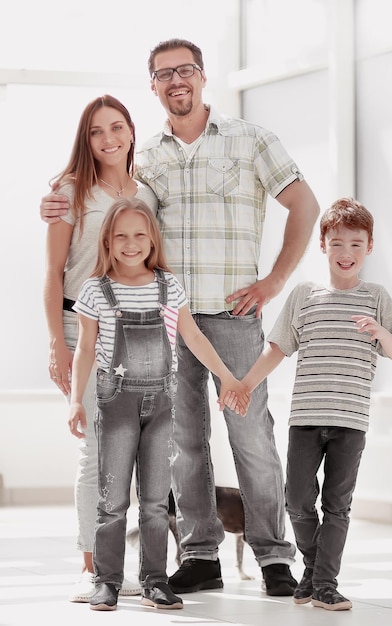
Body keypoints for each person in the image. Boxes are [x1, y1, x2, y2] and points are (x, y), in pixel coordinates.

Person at [40, 37, 320, 596]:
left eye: (185, 70)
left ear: (202, 76)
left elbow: (306, 207)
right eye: (163, 74)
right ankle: (198, 554)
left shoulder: (250, 139)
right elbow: (98, 198)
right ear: (153, 86)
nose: (176, 81)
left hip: (233, 318)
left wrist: (273, 281)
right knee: (183, 443)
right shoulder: (148, 162)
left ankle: (272, 557)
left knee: (252, 438)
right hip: (165, 326)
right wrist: (50, 201)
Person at [69, 197, 249, 611]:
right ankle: (107, 580)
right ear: (108, 242)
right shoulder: (96, 290)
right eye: (121, 237)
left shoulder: (169, 286)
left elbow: (195, 338)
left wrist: (227, 376)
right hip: (114, 403)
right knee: (112, 500)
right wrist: (74, 402)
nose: (131, 244)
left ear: (152, 240)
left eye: (139, 235)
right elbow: (84, 349)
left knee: (154, 501)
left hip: (160, 404)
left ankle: (154, 580)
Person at [236, 198, 392, 610]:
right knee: (296, 499)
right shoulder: (304, 295)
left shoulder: (376, 297)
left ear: (369, 247)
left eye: (355, 244)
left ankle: (324, 584)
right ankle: (314, 571)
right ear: (322, 245)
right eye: (337, 243)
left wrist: (380, 331)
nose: (345, 253)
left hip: (350, 421)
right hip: (307, 419)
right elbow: (277, 349)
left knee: (336, 505)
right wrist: (244, 385)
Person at [43, 94, 158, 602]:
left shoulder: (148, 192)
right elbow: (53, 273)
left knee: (131, 454)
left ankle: (118, 564)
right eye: (96, 131)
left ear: (131, 131)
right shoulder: (70, 191)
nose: (108, 139)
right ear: (85, 140)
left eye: (116, 127)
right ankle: (91, 566)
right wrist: (56, 345)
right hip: (79, 328)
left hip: (138, 331)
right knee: (95, 452)